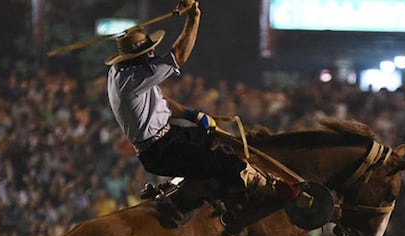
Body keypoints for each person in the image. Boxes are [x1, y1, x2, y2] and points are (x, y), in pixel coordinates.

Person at [105, 0, 308, 206]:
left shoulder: (121, 73)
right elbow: (179, 55)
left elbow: (162, 103)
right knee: (225, 165)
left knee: (222, 143)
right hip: (160, 150)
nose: (152, 54)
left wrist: (193, 115)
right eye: (148, 51)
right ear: (137, 57)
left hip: (168, 138)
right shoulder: (133, 79)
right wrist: (194, 17)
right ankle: (271, 194)